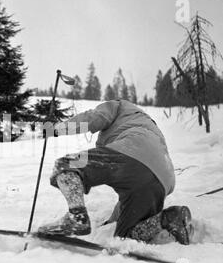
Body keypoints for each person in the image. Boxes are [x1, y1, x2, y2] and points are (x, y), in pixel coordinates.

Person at [39, 99, 194, 245]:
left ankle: (76, 217)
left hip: (133, 148)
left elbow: (93, 118)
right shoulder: (150, 129)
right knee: (125, 237)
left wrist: (56, 129)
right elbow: (126, 198)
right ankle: (170, 218)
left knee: (66, 164)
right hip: (163, 178)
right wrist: (111, 222)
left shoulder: (120, 107)